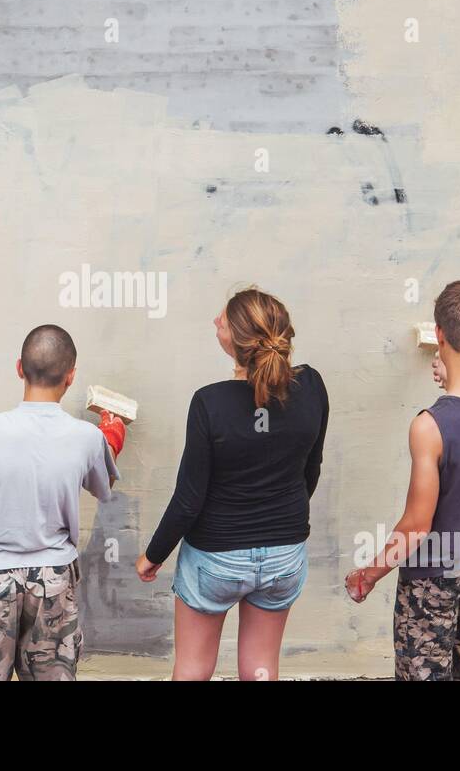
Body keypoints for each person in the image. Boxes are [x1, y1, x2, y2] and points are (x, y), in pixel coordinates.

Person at [135, 287, 328, 681]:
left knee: (192, 668)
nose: (215, 321)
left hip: (215, 559)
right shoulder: (313, 387)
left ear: (233, 341)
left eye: (221, 318)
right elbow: (311, 470)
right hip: (284, 555)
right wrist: (275, 518)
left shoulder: (209, 402)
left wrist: (153, 555)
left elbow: (189, 500)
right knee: (260, 670)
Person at [345, 280, 460, 681]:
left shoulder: (429, 426)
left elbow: (416, 527)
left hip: (434, 575)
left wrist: (369, 573)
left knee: (425, 674)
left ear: (438, 334)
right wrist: (453, 379)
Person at [0, 325, 127, 681]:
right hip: (53, 579)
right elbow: (102, 486)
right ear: (71, 377)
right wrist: (111, 442)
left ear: (19, 368)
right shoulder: (86, 437)